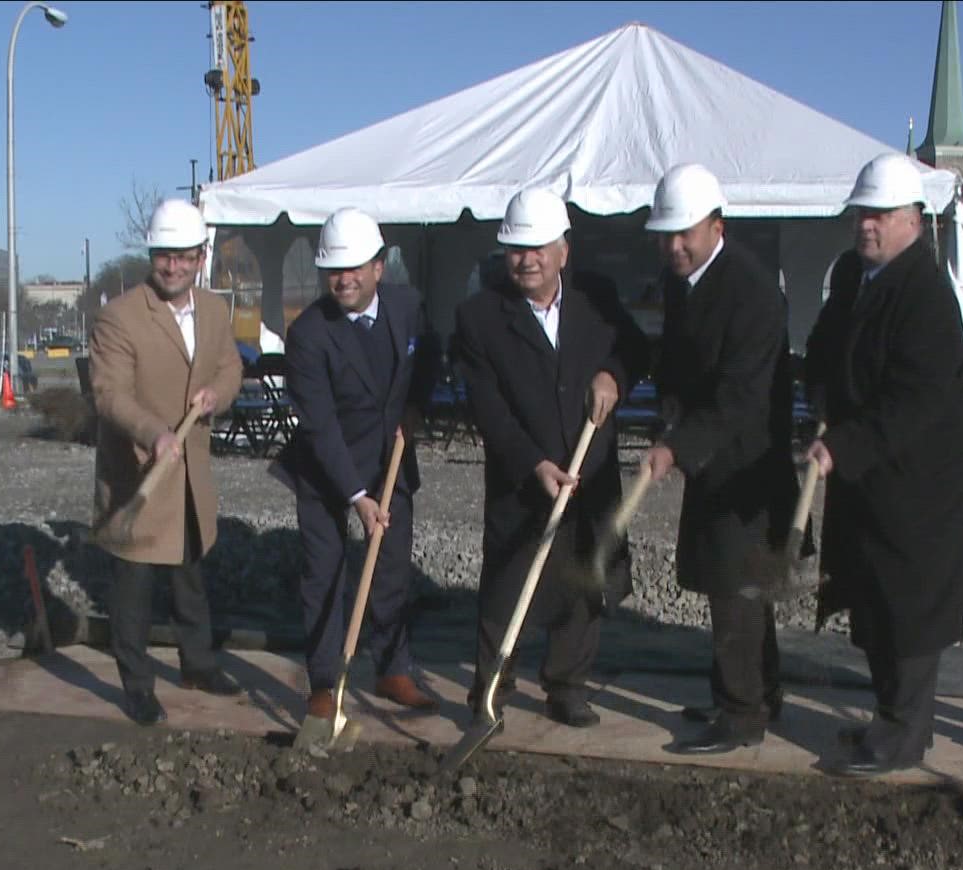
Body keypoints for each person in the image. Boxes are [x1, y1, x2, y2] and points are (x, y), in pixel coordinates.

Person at [801, 153, 963, 776]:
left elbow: (918, 399)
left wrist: (844, 445)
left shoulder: (927, 297)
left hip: (921, 478)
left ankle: (904, 733)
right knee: (872, 594)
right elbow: (825, 343)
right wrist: (819, 394)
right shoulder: (854, 276)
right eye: (862, 215)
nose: (867, 226)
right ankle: (892, 719)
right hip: (870, 472)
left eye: (880, 216)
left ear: (912, 220)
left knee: (909, 604)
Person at [450, 188, 650, 728]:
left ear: (564, 249)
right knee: (506, 588)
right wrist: (532, 463)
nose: (527, 259)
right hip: (524, 476)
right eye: (516, 249)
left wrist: (614, 375)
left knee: (583, 585)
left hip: (589, 469)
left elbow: (634, 349)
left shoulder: (597, 299)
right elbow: (486, 406)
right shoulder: (480, 317)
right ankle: (490, 691)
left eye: (539, 247)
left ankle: (566, 686)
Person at [639, 164, 800, 755]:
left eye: (684, 233)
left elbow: (740, 395)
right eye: (664, 234)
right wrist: (669, 418)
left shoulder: (752, 292)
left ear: (716, 225)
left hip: (749, 468)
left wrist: (677, 448)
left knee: (737, 589)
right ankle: (762, 691)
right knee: (731, 585)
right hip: (712, 458)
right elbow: (678, 366)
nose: (673, 246)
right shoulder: (684, 283)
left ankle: (742, 716)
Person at [270, 208, 443, 723]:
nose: (342, 279)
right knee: (324, 573)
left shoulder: (408, 307)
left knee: (391, 571)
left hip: (390, 458)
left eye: (353, 268)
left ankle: (392, 668)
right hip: (328, 469)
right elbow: (319, 424)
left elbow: (428, 354)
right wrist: (356, 496)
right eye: (333, 270)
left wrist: (416, 405)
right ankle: (326, 681)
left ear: (377, 267)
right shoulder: (309, 334)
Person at [89, 199, 246, 726]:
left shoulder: (214, 310)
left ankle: (197, 664)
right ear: (151, 256)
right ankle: (136, 684)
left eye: (183, 256)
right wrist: (152, 432)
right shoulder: (119, 317)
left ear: (201, 256)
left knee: (190, 575)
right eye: (163, 256)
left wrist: (216, 395)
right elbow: (110, 395)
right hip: (140, 473)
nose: (173, 266)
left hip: (191, 474)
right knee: (134, 587)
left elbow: (230, 366)